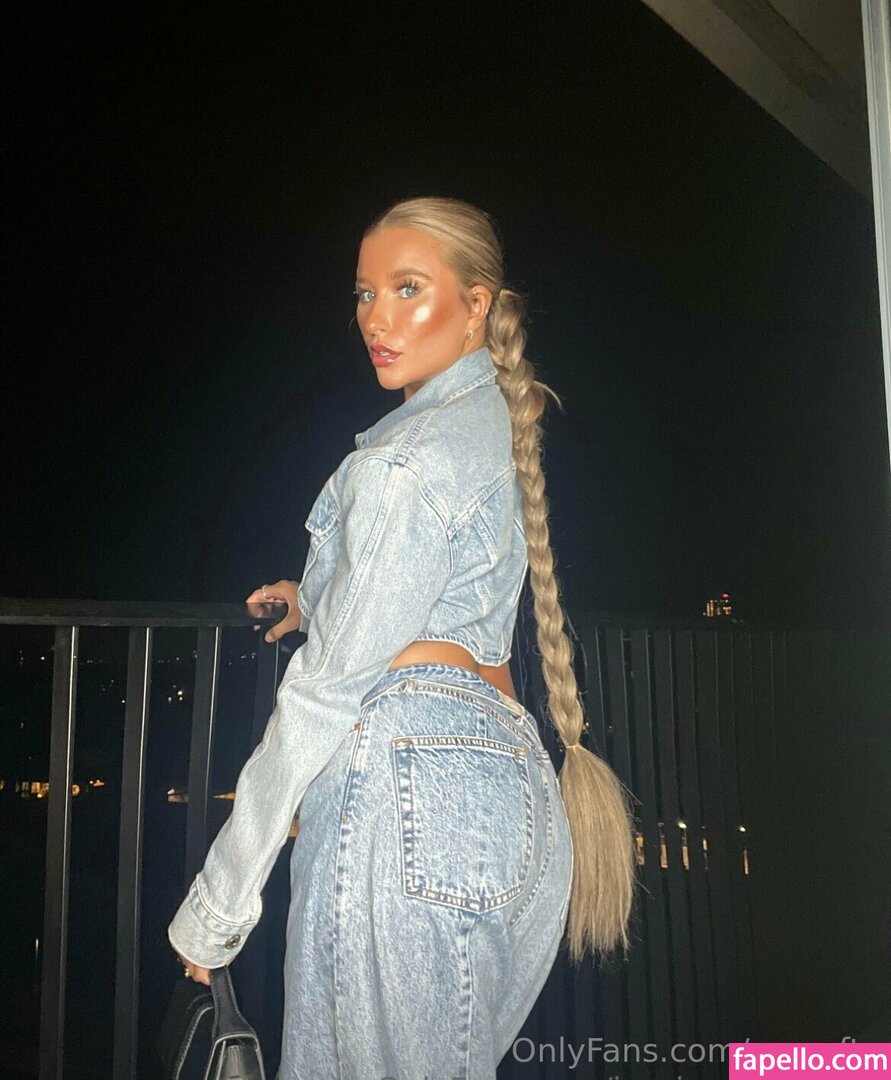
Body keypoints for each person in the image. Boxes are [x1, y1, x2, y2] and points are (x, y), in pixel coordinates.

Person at [169, 196, 636, 1078]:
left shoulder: (400, 464)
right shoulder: (493, 425)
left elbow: (323, 692)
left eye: (407, 288)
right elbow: (434, 590)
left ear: (476, 304)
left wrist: (216, 910)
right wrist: (314, 599)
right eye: (363, 293)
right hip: (511, 790)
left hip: (408, 791)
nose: (375, 319)